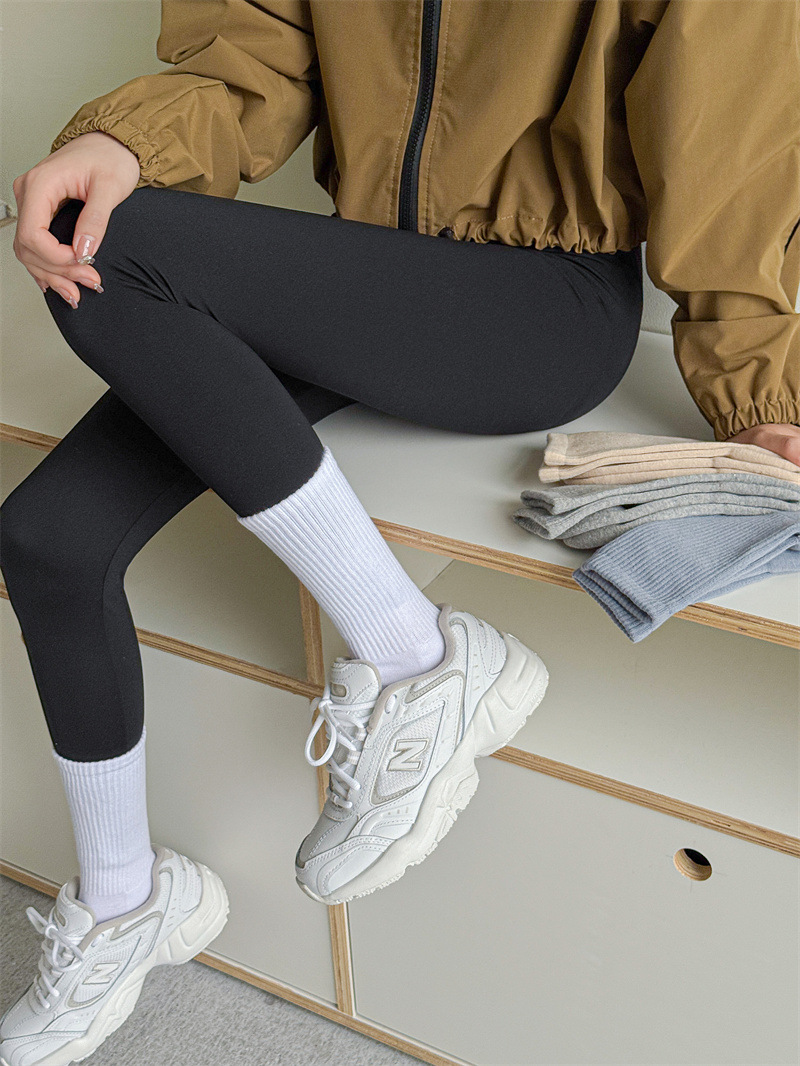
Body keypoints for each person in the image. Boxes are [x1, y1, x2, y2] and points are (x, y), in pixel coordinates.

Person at [1, 1, 798, 1063]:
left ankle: (418, 658)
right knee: (46, 536)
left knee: (120, 243)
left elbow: (726, 129)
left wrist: (755, 387)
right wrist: (124, 143)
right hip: (368, 272)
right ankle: (124, 901)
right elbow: (251, 52)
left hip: (540, 298)